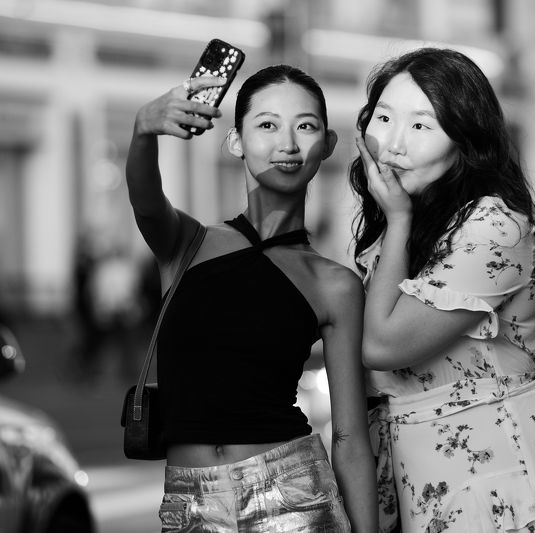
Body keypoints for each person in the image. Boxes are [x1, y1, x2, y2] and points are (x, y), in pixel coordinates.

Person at [349, 48, 535, 533]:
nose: (393, 144)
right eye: (384, 118)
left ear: (464, 140)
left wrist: (400, 219)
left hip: (504, 468)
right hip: (431, 473)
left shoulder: (491, 225)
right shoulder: (409, 224)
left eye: (422, 126)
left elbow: (382, 346)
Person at [126, 65, 377, 531]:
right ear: (235, 141)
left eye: (305, 126)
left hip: (294, 497)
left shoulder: (335, 284)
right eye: (266, 125)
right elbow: (144, 201)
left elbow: (348, 436)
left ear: (327, 145)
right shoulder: (186, 243)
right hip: (188, 502)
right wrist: (144, 128)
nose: (287, 143)